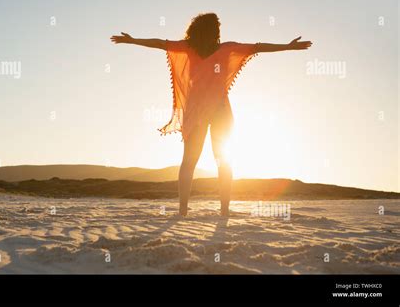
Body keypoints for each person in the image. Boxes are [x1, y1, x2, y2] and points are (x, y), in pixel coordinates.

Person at [111, 12, 312, 217]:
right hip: (219, 110)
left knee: (190, 161)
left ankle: (183, 211)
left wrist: (132, 40)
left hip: (199, 110)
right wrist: (287, 46)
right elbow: (258, 46)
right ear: (214, 30)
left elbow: (159, 43)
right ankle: (223, 210)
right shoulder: (226, 48)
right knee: (221, 161)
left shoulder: (189, 47)